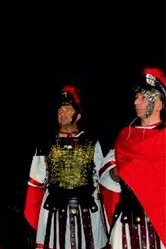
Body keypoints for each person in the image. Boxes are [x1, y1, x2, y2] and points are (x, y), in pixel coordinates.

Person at [23, 85, 109, 249]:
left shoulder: (91, 143)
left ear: (78, 115)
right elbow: (35, 183)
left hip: (88, 212)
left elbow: (103, 179)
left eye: (68, 109)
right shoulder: (46, 144)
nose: (63, 114)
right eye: (60, 110)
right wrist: (35, 218)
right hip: (55, 211)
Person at [99, 67, 165, 248]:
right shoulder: (125, 136)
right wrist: (116, 173)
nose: (136, 101)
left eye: (143, 97)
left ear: (159, 104)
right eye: (136, 97)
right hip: (126, 223)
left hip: (161, 224)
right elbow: (107, 173)